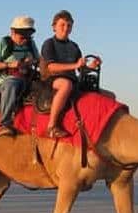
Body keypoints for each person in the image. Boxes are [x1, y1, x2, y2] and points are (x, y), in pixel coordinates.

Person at [40, 10, 101, 138]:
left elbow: (81, 69)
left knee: (107, 94)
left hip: (73, 80)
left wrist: (92, 66)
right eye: (62, 25)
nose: (66, 28)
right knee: (66, 85)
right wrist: (75, 65)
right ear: (54, 27)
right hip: (52, 79)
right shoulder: (49, 44)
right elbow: (51, 67)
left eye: (69, 25)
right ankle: (51, 126)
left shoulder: (74, 46)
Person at [0, 15, 39, 137]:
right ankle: (5, 123)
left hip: (27, 78)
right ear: (13, 32)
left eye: (28, 36)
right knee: (12, 84)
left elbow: (38, 60)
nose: (25, 39)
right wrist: (10, 64)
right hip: (7, 79)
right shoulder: (4, 43)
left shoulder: (30, 44)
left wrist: (33, 61)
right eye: (22, 36)